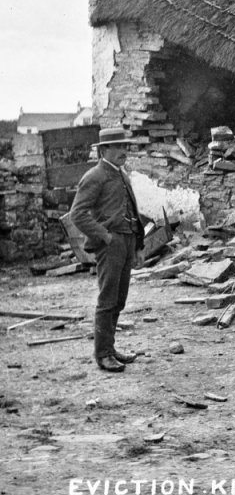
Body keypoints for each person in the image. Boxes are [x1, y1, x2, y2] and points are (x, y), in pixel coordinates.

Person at [67, 126, 145, 373]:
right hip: (110, 245)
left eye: (126, 146)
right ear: (104, 150)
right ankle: (102, 354)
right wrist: (105, 236)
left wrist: (139, 245)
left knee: (119, 300)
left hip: (127, 241)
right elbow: (77, 215)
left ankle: (110, 349)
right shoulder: (94, 176)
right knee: (107, 299)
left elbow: (132, 210)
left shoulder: (121, 174)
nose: (124, 151)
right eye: (118, 147)